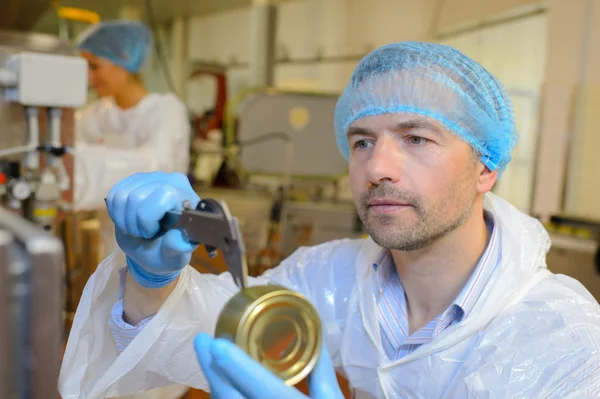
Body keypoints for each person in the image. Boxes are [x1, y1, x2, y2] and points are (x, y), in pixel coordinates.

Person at [59, 42, 600, 399]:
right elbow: (203, 331)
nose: (377, 168)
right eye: (363, 141)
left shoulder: (567, 341)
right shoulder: (337, 279)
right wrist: (151, 283)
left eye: (416, 138)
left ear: (486, 167)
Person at [72, 20, 191, 258]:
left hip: (160, 244)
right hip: (111, 243)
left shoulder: (165, 111)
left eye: (95, 66)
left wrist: (82, 173)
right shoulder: (95, 115)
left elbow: (156, 170)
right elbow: (68, 160)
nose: (88, 77)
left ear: (123, 61)